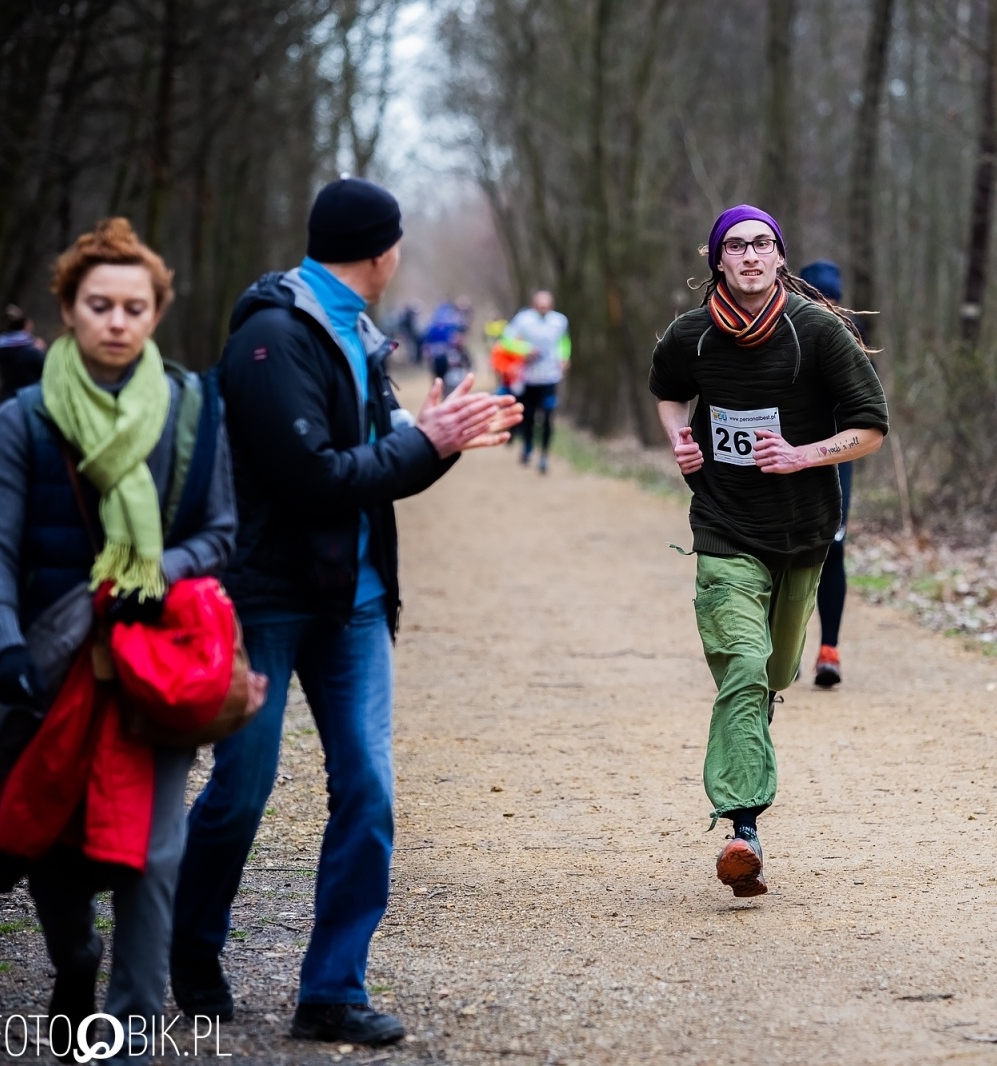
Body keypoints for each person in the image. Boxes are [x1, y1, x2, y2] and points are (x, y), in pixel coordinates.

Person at [169, 177, 520, 1046]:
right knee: (241, 792)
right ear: (380, 250)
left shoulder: (358, 333)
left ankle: (332, 989)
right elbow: (315, 479)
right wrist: (423, 442)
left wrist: (439, 439)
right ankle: (190, 943)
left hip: (355, 603)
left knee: (367, 790)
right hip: (265, 600)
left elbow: (385, 465)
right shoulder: (270, 338)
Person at [0, 218, 237, 1060]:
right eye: (99, 305)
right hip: (49, 667)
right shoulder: (24, 418)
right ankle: (75, 958)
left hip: (152, 666)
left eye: (134, 306)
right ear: (67, 309)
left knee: (153, 853)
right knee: (51, 832)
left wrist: (153, 576)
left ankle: (127, 1032)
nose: (117, 321)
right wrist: (8, 645)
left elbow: (224, 532)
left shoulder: (193, 408)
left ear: (156, 312)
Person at [649, 205, 888, 897]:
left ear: (780, 257)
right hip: (724, 527)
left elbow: (871, 428)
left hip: (803, 532)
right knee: (745, 668)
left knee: (778, 667)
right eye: (736, 245)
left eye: (762, 244)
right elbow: (667, 392)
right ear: (717, 260)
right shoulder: (692, 338)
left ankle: (758, 710)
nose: (750, 255)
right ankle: (742, 826)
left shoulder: (818, 333)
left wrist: (804, 454)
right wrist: (679, 439)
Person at [797, 261, 862, 688]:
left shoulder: (854, 337)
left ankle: (829, 650)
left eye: (833, 299)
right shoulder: (782, 329)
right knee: (779, 553)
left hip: (836, 460)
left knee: (832, 551)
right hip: (782, 457)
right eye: (818, 297)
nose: (827, 306)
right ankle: (772, 651)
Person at [505, 289, 569, 473]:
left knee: (548, 416)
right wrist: (525, 349)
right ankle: (527, 447)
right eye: (540, 305)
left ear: (551, 305)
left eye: (546, 305)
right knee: (529, 416)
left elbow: (564, 342)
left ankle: (544, 456)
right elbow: (507, 341)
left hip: (550, 377)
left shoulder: (560, 321)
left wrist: (564, 357)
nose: (543, 308)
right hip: (528, 378)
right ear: (534, 305)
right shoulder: (523, 319)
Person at [0, 304, 48, 402]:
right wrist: (39, 351)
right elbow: (47, 371)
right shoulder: (29, 351)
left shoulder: (1, 346)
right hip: (28, 402)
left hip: (6, 400)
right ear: (25, 325)